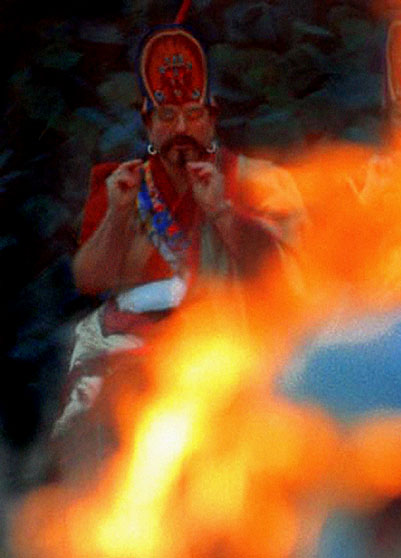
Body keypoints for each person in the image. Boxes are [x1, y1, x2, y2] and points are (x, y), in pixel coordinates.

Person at [52, 25, 304, 445]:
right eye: (167, 115)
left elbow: (293, 283)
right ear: (147, 122)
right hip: (139, 385)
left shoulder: (262, 182)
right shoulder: (122, 187)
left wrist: (222, 213)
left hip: (243, 371)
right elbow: (90, 280)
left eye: (194, 113)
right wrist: (117, 215)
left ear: (213, 116)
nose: (181, 127)